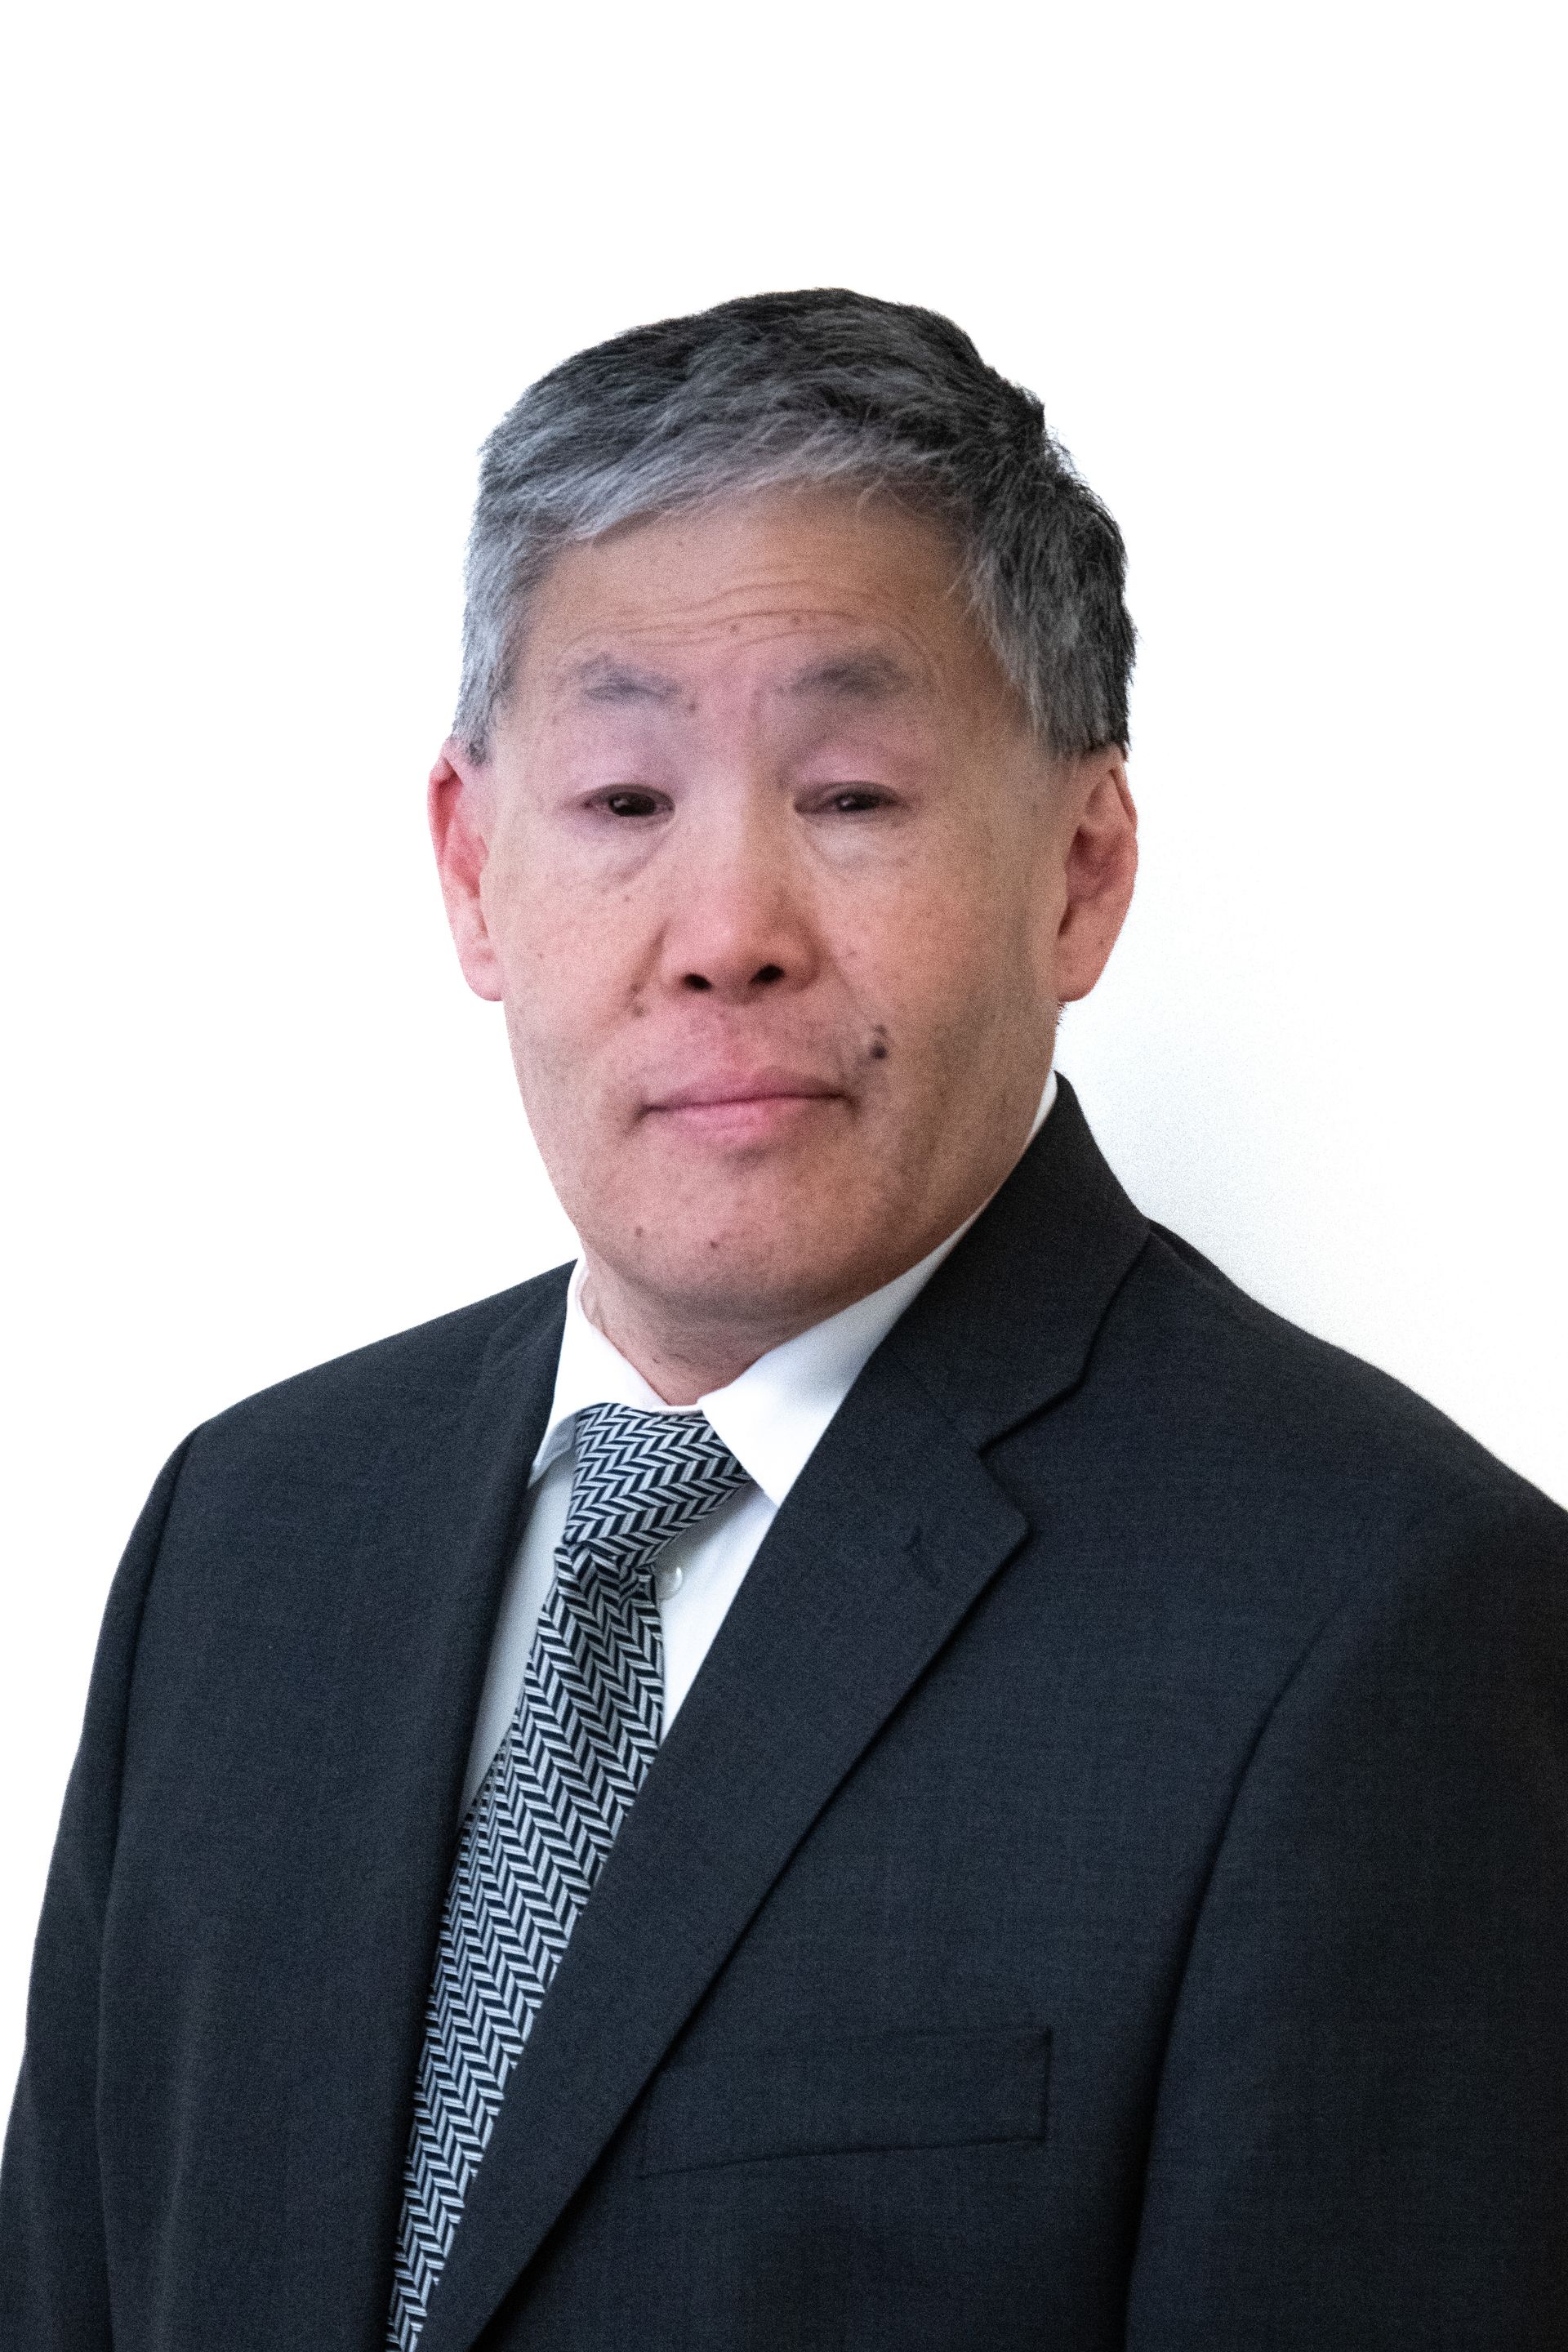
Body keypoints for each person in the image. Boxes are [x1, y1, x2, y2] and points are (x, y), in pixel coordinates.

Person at [2, 289, 1564, 2352]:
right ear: (471, 868)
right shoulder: (250, 1536)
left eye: (852, 795)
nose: (727, 934)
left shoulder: (1381, 1625)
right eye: (622, 801)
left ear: (1081, 869)